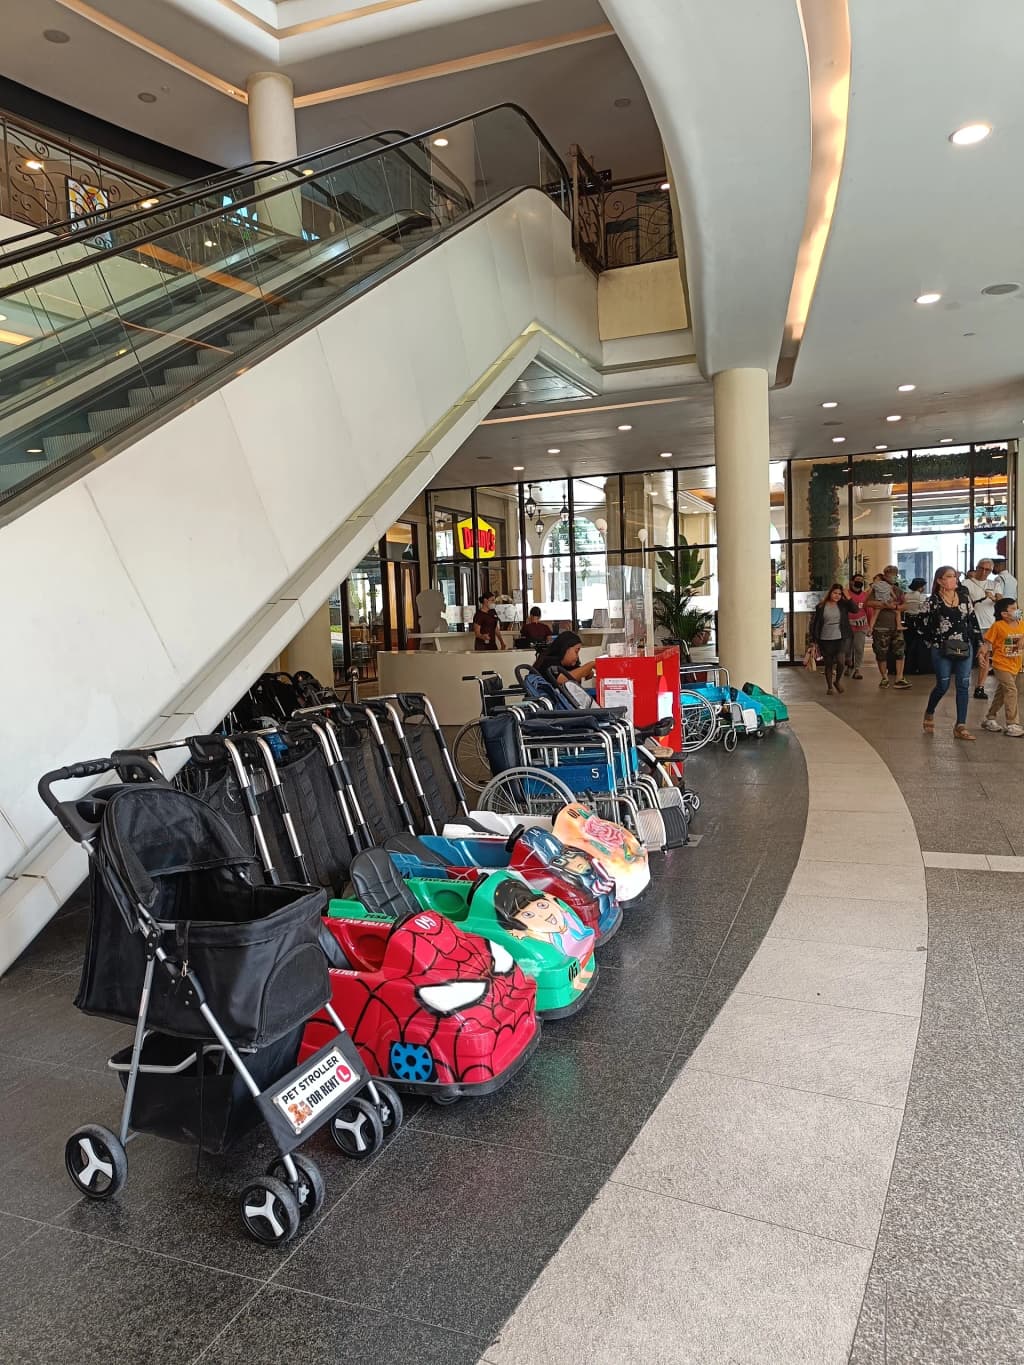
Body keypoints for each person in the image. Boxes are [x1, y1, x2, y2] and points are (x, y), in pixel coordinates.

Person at [917, 565, 988, 740]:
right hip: (941, 648)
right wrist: (933, 640)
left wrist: (980, 643)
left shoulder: (964, 598)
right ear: (940, 580)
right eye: (949, 576)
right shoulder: (932, 601)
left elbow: (973, 623)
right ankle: (930, 711)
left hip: (964, 646)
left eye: (955, 576)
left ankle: (961, 725)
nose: (954, 579)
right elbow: (920, 625)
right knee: (943, 685)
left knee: (963, 684)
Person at [980, 597, 1024, 736]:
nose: (1018, 611)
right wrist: (982, 654)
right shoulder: (998, 626)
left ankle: (990, 718)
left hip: (1015, 665)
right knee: (1011, 690)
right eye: (1013, 608)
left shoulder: (1021, 624)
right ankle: (1012, 724)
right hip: (1001, 664)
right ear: (1004, 614)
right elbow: (987, 643)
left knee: (1002, 693)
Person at [867, 565, 910, 689]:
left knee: (900, 652)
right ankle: (884, 677)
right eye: (891, 574)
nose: (893, 577)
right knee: (881, 654)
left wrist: (895, 606)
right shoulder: (877, 588)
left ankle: (899, 677)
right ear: (885, 575)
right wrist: (883, 604)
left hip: (895, 627)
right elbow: (867, 602)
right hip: (881, 628)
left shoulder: (898, 590)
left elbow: (904, 605)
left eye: (895, 574)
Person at [809, 584, 854, 695]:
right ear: (830, 593)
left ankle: (837, 681)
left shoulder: (843, 605)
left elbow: (855, 609)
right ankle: (829, 686)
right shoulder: (821, 606)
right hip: (825, 638)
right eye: (835, 593)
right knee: (828, 663)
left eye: (839, 594)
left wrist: (848, 597)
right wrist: (813, 640)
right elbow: (815, 623)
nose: (837, 596)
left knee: (841, 661)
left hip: (840, 637)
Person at [964, 559, 996, 698]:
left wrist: (994, 598)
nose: (984, 572)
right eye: (981, 568)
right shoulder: (967, 583)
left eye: (987, 570)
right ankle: (963, 683)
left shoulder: (995, 584)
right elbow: (963, 601)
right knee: (967, 655)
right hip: (970, 624)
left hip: (989, 625)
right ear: (976, 568)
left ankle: (980, 687)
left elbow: (1002, 602)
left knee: (986, 656)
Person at [844, 573, 870, 679]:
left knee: (859, 648)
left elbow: (869, 610)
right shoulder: (846, 594)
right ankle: (849, 665)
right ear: (852, 581)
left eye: (861, 580)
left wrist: (870, 626)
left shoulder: (865, 596)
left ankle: (857, 669)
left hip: (861, 626)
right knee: (847, 649)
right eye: (857, 579)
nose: (860, 581)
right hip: (847, 626)